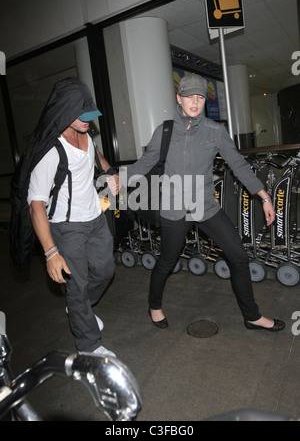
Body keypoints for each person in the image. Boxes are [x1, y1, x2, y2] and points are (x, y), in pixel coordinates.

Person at [127, 73, 285, 332]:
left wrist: (264, 196)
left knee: (238, 255)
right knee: (167, 260)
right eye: (190, 96)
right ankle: (154, 306)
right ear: (179, 98)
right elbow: (145, 163)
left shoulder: (215, 132)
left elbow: (239, 165)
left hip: (205, 206)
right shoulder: (164, 131)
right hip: (174, 208)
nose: (195, 101)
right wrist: (118, 180)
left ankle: (252, 316)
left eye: (200, 97)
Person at [27, 77, 119, 356]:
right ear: (66, 112)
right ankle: (88, 346)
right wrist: (51, 252)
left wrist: (109, 172)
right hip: (67, 228)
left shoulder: (86, 136)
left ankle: (80, 308)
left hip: (95, 218)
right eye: (84, 116)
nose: (90, 122)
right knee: (77, 286)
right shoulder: (50, 152)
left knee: (106, 270)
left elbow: (95, 156)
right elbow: (35, 205)